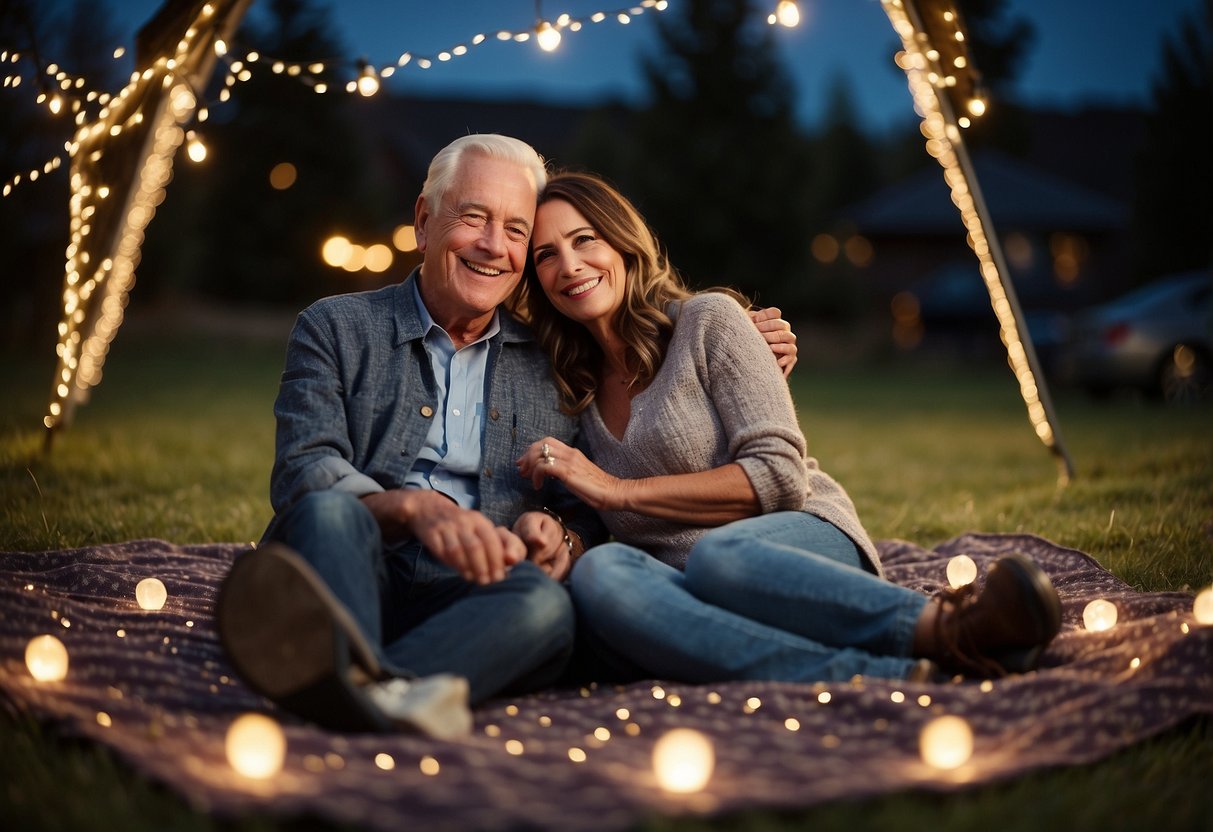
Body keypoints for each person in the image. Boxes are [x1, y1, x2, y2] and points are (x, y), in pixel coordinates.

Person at [216, 135, 798, 737]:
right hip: (350, 563)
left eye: (517, 231)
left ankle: (352, 686)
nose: (494, 246)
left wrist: (562, 537)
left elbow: (588, 501)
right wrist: (412, 509)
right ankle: (393, 689)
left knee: (545, 606)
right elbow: (304, 470)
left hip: (474, 592)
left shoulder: (553, 360)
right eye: (474, 218)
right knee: (331, 514)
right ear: (423, 219)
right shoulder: (336, 327)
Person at [516, 171, 1062, 686]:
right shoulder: (573, 390)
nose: (569, 265)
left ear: (622, 242)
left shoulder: (710, 321)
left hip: (789, 541)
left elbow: (778, 478)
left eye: (585, 239)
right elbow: (589, 519)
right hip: (686, 588)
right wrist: (559, 531)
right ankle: (878, 675)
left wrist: (617, 489)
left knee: (719, 556)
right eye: (546, 255)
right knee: (602, 575)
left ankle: (947, 627)